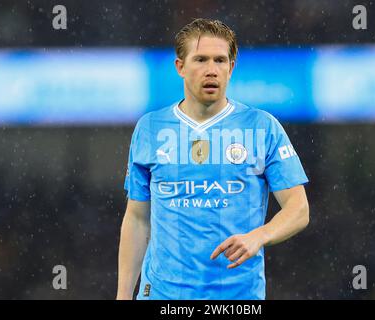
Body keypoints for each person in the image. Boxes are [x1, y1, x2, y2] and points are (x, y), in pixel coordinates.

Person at [116, 18, 310, 300]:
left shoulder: (262, 127)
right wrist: (123, 296)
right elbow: (137, 219)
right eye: (200, 60)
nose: (211, 70)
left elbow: (298, 209)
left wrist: (260, 235)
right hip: (162, 294)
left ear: (231, 68)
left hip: (237, 296)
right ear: (180, 67)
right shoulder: (150, 128)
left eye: (220, 60)